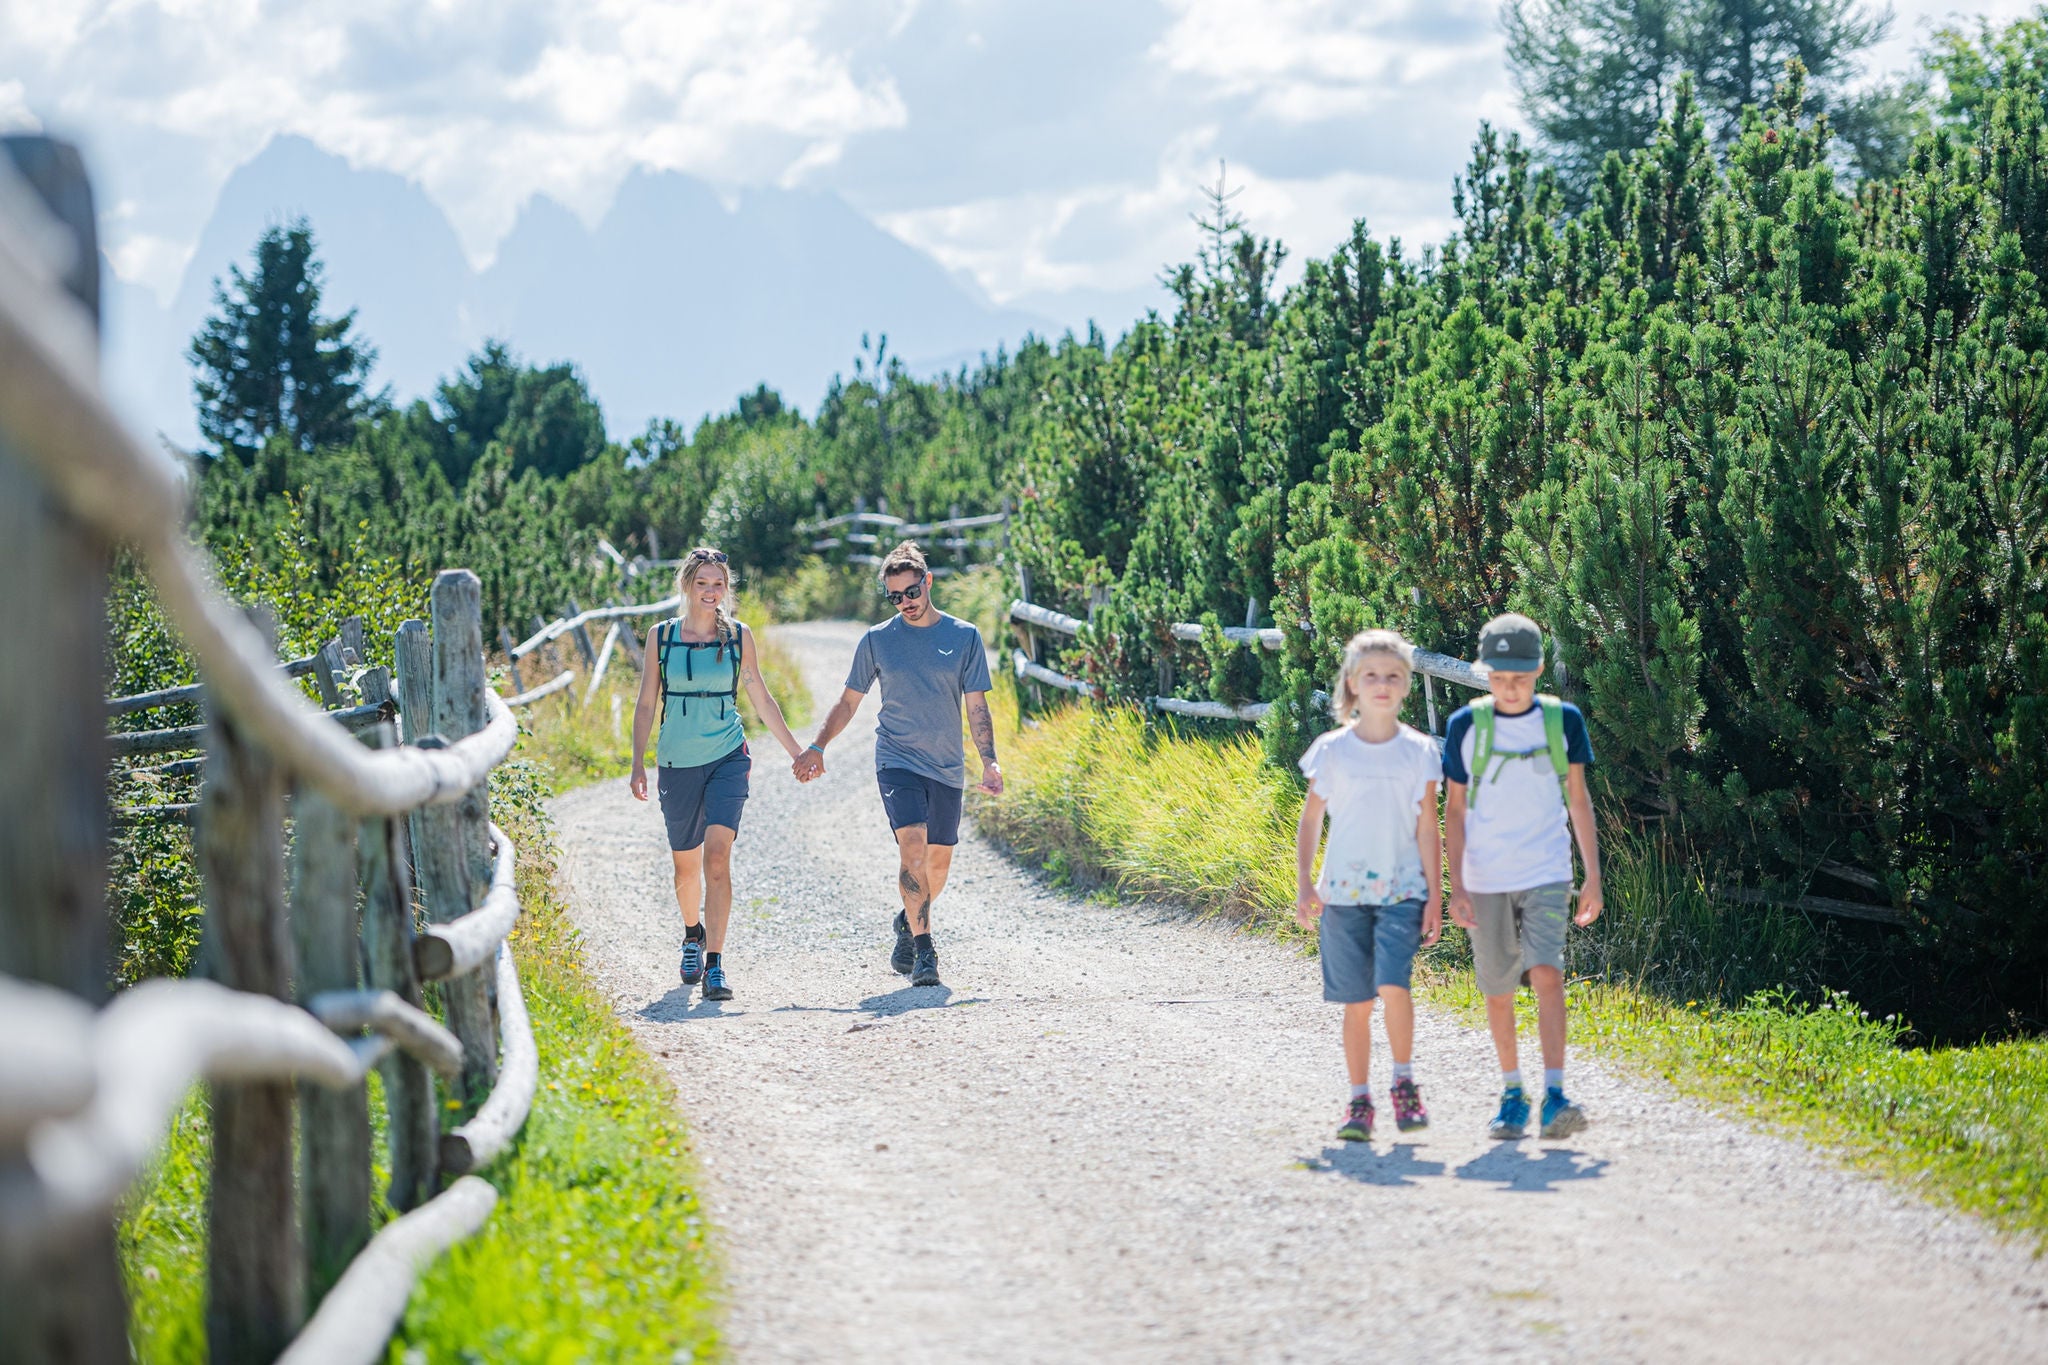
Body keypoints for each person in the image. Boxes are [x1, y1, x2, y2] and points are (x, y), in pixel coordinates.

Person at [791, 541, 1001, 987]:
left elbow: (977, 707)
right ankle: (925, 953)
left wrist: (990, 762)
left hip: (946, 766)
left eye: (911, 592)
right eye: (895, 597)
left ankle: (907, 922)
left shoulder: (964, 637)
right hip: (897, 760)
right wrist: (818, 746)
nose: (905, 603)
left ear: (927, 582)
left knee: (937, 866)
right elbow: (849, 702)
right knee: (912, 848)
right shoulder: (877, 640)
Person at [1444, 612, 1603, 1140]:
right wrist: (1457, 885)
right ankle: (1513, 1092)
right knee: (1497, 987)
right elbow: (1455, 810)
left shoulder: (1563, 722)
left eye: (1519, 677)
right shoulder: (1465, 726)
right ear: (1484, 674)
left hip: (1547, 871)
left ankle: (1555, 1095)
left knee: (1548, 971)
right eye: (1498, 678)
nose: (1509, 688)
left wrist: (1592, 876)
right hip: (1485, 877)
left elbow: (1578, 799)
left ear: (1537, 671)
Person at [630, 546, 805, 1002]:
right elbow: (647, 702)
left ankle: (715, 966)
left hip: (728, 756)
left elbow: (761, 698)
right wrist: (636, 764)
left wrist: (796, 752)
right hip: (676, 762)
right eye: (703, 584)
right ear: (687, 585)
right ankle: (693, 934)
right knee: (685, 870)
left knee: (718, 859)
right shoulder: (661, 637)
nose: (711, 593)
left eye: (719, 584)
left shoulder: (739, 636)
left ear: (727, 588)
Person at [1295, 629, 1444, 1143]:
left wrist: (1435, 897)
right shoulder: (1332, 751)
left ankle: (1404, 1084)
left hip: (1403, 892)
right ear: (1353, 683)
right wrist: (1303, 885)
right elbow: (1311, 821)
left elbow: (1428, 826)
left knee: (1393, 984)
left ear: (1406, 685)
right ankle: (1359, 1100)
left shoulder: (1420, 751)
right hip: (1342, 895)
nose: (1383, 684)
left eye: (1394, 676)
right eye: (1372, 675)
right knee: (1356, 1002)